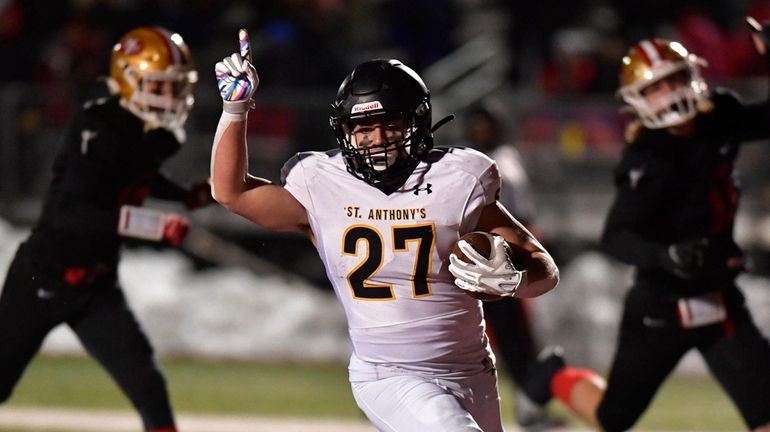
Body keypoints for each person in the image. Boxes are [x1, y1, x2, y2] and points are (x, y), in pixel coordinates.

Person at [211, 29, 560, 431]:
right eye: (363, 127)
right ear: (345, 131)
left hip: (472, 369)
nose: (376, 140)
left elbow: (543, 266)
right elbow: (231, 191)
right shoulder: (320, 183)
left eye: (389, 125)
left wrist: (514, 280)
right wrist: (234, 111)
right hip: (390, 373)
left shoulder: (457, 179)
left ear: (417, 121)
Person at [522, 35, 770, 432]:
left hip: (719, 296)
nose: (669, 93)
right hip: (662, 305)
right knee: (613, 418)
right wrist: (665, 255)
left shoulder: (717, 117)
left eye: (674, 80)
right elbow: (616, 236)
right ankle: (552, 375)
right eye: (655, 87)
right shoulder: (646, 157)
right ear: (637, 99)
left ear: (693, 77)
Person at [0, 27, 212, 432]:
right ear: (130, 80)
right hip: (43, 279)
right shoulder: (97, 127)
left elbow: (138, 177)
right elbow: (75, 214)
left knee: (147, 384)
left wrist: (183, 196)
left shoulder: (146, 133)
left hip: (95, 285)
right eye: (160, 87)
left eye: (175, 88)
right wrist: (153, 225)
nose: (170, 99)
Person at [460, 106, 562, 431]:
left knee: (514, 339)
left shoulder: (501, 160)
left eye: (484, 126)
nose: (480, 132)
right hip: (473, 258)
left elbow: (519, 216)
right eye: (475, 126)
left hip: (500, 257)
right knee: (467, 337)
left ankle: (530, 406)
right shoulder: (474, 162)